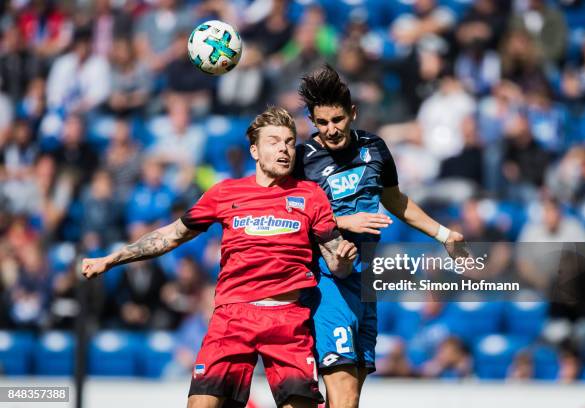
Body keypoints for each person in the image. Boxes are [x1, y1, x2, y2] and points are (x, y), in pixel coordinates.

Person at [82, 106, 358, 408]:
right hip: (232, 318)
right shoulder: (225, 193)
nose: (284, 149)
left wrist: (343, 257)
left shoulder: (310, 195)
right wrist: (112, 258)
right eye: (274, 141)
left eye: (290, 142)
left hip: (287, 319)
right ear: (254, 150)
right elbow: (171, 235)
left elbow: (336, 264)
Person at [294, 65, 465, 408]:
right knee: (341, 392)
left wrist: (443, 234)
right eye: (321, 122)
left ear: (353, 113)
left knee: (351, 395)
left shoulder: (375, 149)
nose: (330, 130)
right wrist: (344, 221)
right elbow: (291, 217)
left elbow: (394, 200)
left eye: (337, 119)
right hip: (327, 281)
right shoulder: (303, 160)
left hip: (364, 282)